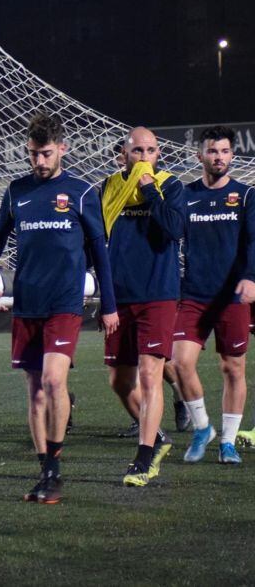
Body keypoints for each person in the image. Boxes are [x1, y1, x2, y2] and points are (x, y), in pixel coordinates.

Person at [0, 112, 118, 504]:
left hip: (64, 303)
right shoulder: (16, 191)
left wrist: (109, 306)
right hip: (27, 302)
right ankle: (43, 470)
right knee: (36, 392)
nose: (38, 162)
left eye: (45, 154)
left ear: (62, 149)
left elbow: (100, 254)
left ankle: (55, 469)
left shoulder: (80, 193)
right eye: (32, 154)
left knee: (53, 382)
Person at [99, 127, 183, 486]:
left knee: (150, 375)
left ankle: (144, 456)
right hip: (120, 296)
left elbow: (173, 229)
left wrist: (149, 188)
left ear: (158, 154)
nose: (144, 157)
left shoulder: (170, 185)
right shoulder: (108, 188)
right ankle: (158, 438)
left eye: (150, 150)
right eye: (137, 151)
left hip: (158, 295)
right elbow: (97, 237)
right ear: (123, 154)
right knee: (119, 382)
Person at [171, 126, 255, 464]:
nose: (217, 157)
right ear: (199, 155)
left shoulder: (246, 195)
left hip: (231, 296)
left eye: (223, 151)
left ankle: (228, 442)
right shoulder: (186, 194)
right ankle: (203, 427)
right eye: (211, 151)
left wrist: (250, 277)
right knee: (179, 363)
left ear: (232, 156)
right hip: (193, 294)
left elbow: (253, 241)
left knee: (233, 368)